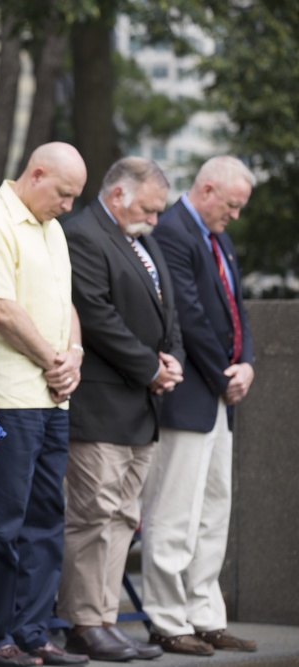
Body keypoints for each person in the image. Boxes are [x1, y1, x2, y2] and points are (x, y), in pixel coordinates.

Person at [0, 142, 88, 667]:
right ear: (37, 174)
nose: (69, 206)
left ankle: (33, 633)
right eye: (64, 194)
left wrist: (73, 355)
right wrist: (54, 361)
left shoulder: (51, 229)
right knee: (0, 525)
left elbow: (66, 306)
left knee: (45, 522)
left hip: (51, 398)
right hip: (7, 397)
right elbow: (0, 310)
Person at [57, 157, 182, 662]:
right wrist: (150, 366)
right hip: (103, 403)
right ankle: (83, 623)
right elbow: (96, 315)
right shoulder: (83, 235)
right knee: (92, 516)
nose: (156, 221)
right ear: (118, 196)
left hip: (141, 406)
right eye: (150, 210)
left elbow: (165, 308)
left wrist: (170, 359)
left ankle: (105, 619)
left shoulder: (141, 239)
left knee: (123, 518)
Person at [142, 156, 257, 656]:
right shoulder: (174, 231)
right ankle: (167, 620)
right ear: (207, 189)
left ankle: (205, 616)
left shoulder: (218, 236)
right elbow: (187, 314)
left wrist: (247, 363)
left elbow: (238, 309)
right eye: (231, 205)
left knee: (213, 511)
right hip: (189, 395)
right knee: (174, 512)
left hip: (218, 397)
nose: (234, 215)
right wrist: (224, 375)